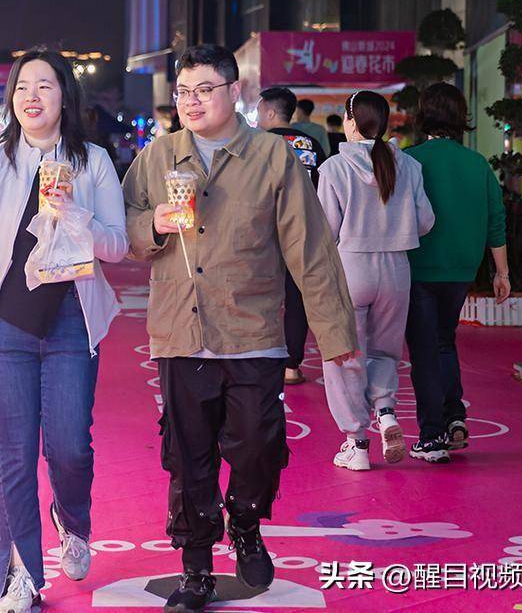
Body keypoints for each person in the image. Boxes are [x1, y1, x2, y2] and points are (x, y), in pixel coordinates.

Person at [122, 45, 356, 612]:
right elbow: (124, 227)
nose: (192, 101)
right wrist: (150, 224)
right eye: (183, 91)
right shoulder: (157, 158)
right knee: (187, 455)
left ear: (234, 93)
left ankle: (246, 523)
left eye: (205, 89)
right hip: (180, 332)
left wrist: (335, 334)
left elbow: (311, 249)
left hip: (252, 332)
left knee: (258, 445)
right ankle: (196, 567)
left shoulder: (274, 159)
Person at [0, 50, 128, 613]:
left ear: (65, 94)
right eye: (22, 87)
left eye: (44, 85)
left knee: (69, 446)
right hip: (3, 329)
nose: (32, 96)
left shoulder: (92, 163)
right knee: (13, 455)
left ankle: (72, 517)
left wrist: (75, 215)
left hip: (70, 324)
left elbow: (118, 245)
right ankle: (21, 580)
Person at [316, 91, 434, 471]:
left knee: (344, 356)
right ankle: (386, 413)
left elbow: (325, 229)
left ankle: (358, 443)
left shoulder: (334, 168)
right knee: (385, 351)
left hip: (351, 267)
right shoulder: (408, 165)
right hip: (397, 270)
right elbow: (425, 221)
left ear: (350, 121)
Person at [405, 83, 510, 464]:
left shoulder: (410, 160)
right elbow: (496, 219)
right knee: (444, 341)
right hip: (462, 268)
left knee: (423, 351)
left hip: (419, 268)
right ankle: (454, 420)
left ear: (424, 115)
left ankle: (431, 435)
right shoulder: (478, 164)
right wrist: (502, 272)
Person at [256, 87, 328, 386]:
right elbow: (324, 184)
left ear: (271, 112)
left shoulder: (256, 144)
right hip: (302, 232)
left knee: (258, 298)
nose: (258, 115)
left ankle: (256, 360)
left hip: (260, 235)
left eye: (260, 110)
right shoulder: (310, 144)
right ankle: (291, 366)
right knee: (297, 300)